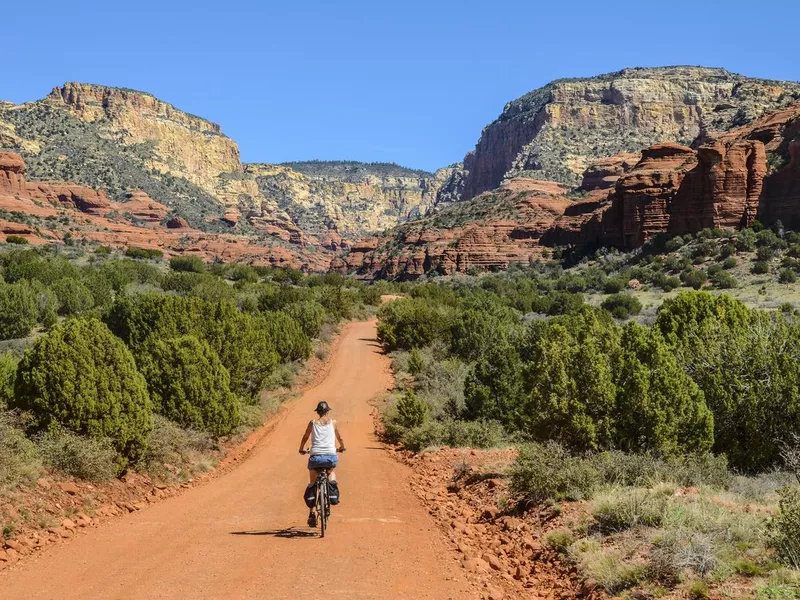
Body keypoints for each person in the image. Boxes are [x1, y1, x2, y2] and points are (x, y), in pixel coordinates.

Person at [299, 401, 345, 527]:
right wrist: (342, 447)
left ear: (317, 412)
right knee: (331, 471)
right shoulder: (333, 423)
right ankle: (331, 488)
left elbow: (305, 437)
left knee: (313, 483)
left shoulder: (312, 423)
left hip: (315, 458)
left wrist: (301, 449)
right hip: (330, 457)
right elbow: (340, 438)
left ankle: (312, 513)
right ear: (327, 411)